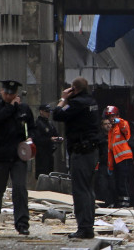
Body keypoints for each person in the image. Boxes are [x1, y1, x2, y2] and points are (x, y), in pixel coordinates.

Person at [0, 80, 35, 236]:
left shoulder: (24, 109)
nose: (8, 96)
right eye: (6, 93)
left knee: (20, 189)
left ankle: (22, 223)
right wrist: (11, 107)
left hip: (17, 157)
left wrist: (30, 142)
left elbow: (32, 127)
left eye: (11, 94)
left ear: (16, 94)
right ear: (2, 92)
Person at [52, 77, 100, 239]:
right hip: (92, 151)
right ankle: (88, 226)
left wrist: (63, 98)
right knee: (88, 190)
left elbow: (57, 114)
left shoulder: (77, 103)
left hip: (81, 151)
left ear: (74, 89)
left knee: (80, 190)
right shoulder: (92, 101)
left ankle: (84, 228)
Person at [103, 105, 134, 208]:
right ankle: (120, 203)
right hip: (117, 160)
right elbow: (110, 149)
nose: (111, 119)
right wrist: (110, 166)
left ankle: (126, 203)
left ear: (117, 115)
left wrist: (118, 120)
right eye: (109, 117)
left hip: (124, 158)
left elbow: (125, 127)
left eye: (112, 116)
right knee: (117, 182)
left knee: (123, 182)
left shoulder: (121, 124)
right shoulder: (111, 131)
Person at [32, 103, 62, 178]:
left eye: (49, 112)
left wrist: (58, 138)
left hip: (50, 152)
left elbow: (55, 133)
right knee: (42, 174)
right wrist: (49, 139)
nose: (48, 113)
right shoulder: (38, 123)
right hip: (41, 153)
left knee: (50, 173)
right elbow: (37, 139)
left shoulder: (49, 123)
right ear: (41, 111)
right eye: (46, 111)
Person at [95, 117, 116, 207]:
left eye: (109, 123)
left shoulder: (115, 136)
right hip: (103, 164)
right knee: (103, 185)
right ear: (102, 126)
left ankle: (113, 203)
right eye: (105, 124)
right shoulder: (99, 138)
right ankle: (104, 203)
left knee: (113, 185)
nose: (108, 125)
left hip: (114, 164)